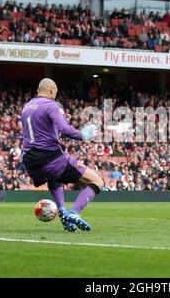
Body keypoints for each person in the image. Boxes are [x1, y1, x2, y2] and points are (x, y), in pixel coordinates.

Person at [21, 78, 103, 232]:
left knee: (53, 177)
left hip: (30, 163)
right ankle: (74, 213)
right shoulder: (51, 105)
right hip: (50, 158)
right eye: (55, 93)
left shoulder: (27, 106)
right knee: (97, 181)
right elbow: (65, 129)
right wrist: (82, 135)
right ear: (52, 90)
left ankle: (63, 210)